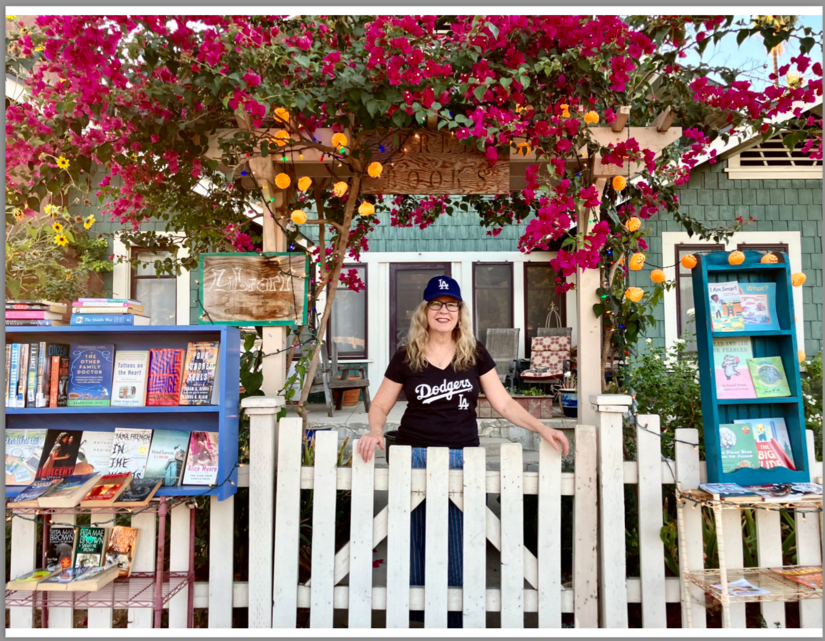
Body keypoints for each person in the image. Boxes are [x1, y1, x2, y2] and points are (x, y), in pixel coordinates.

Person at [358, 275, 570, 628]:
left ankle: (454, 618)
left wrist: (543, 427)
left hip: (461, 457)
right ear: (425, 312)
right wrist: (375, 432)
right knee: (414, 535)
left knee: (459, 536)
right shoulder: (406, 355)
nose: (444, 311)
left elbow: (503, 403)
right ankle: (415, 614)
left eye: (451, 304)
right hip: (414, 455)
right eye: (436, 304)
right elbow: (379, 405)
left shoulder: (475, 352)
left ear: (460, 311)